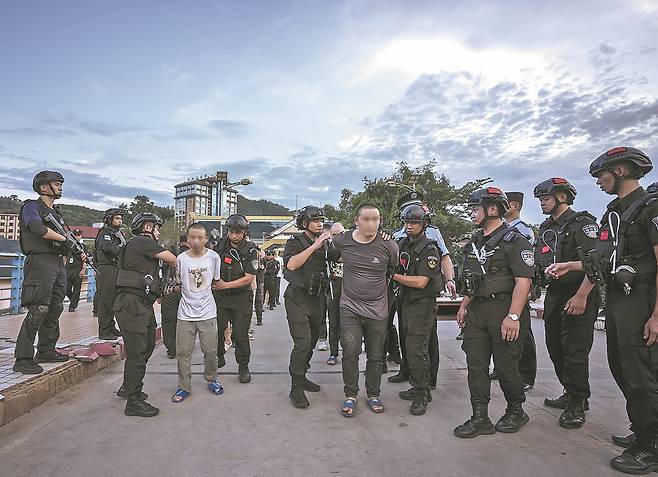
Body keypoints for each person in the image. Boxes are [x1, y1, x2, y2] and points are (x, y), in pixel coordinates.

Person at [587, 147, 658, 474]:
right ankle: (641, 430)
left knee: (642, 374)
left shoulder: (649, 208)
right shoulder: (614, 212)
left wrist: (656, 315)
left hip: (641, 299)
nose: (599, 182)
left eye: (602, 175)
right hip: (617, 298)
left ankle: (651, 446)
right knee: (622, 367)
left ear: (620, 171)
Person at [454, 187, 534, 438]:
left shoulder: (515, 240)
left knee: (506, 364)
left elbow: (524, 280)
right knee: (476, 365)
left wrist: (513, 316)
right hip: (478, 309)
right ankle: (480, 416)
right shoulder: (475, 243)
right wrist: (464, 305)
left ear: (492, 209)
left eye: (475, 209)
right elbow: (473, 279)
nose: (471, 213)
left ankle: (516, 409)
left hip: (504, 308)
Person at [532, 178, 600, 429]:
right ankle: (570, 392)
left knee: (575, 350)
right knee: (555, 346)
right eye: (540, 199)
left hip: (580, 290)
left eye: (546, 198)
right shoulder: (547, 226)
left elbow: (596, 262)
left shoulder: (582, 223)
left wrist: (582, 295)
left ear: (562, 197)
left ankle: (578, 401)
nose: (542, 203)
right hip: (556, 293)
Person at [332, 204, 399, 417]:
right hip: (350, 307)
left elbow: (393, 270)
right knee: (350, 351)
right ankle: (351, 394)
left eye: (376, 219)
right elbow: (330, 253)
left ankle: (373, 393)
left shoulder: (389, 245)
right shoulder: (343, 240)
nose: (372, 224)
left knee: (376, 355)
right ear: (356, 220)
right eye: (367, 219)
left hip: (378, 309)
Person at [389, 192, 457, 386]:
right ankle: (407, 370)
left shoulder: (431, 233)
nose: (411, 221)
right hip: (403, 293)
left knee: (425, 339)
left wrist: (449, 279)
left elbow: (444, 257)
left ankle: (428, 379)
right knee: (405, 333)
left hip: (422, 295)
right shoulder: (398, 234)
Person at [113, 212, 176, 417]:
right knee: (138, 352)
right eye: (157, 227)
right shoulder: (142, 241)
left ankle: (127, 386)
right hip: (132, 304)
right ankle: (133, 400)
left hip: (142, 304)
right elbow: (171, 258)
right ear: (147, 227)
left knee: (147, 346)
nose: (159, 232)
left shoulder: (140, 246)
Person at [13, 171, 75, 374]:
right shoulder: (32, 206)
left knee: (56, 307)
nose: (60, 187)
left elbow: (65, 239)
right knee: (38, 309)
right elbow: (36, 228)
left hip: (57, 263)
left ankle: (46, 350)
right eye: (56, 184)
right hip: (40, 261)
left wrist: (72, 247)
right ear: (43, 187)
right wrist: (65, 239)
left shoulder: (57, 212)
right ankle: (22, 358)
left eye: (60, 184)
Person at [283, 205, 339, 408]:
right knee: (302, 342)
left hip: (318, 298)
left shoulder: (326, 243)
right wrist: (314, 246)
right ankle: (295, 386)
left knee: (313, 340)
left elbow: (340, 257)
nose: (320, 224)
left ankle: (303, 375)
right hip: (297, 298)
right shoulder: (295, 242)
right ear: (304, 223)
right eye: (315, 221)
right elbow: (291, 265)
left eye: (321, 220)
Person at [391, 204, 444, 415]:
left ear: (424, 224)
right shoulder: (404, 243)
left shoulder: (429, 249)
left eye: (414, 222)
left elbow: (421, 282)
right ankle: (418, 387)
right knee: (408, 346)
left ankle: (422, 393)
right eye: (406, 222)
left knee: (417, 349)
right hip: (406, 302)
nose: (409, 226)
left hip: (422, 303)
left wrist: (392, 276)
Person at [171, 223, 224, 403]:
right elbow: (179, 283)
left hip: (208, 313)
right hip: (185, 314)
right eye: (192, 237)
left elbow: (216, 282)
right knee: (183, 353)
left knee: (210, 351)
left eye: (200, 237)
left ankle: (212, 379)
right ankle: (184, 386)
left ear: (206, 239)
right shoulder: (180, 259)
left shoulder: (214, 257)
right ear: (187, 239)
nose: (196, 241)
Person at [490, 191, 537, 391]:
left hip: (520, 286)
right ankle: (503, 369)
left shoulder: (522, 231)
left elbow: (525, 264)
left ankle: (526, 374)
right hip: (502, 290)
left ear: (514, 205)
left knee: (523, 333)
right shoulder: (502, 230)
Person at [212, 214, 258, 383]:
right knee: (216, 331)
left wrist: (226, 285)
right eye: (232, 232)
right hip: (221, 297)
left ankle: (243, 366)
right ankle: (219, 357)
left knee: (240, 335)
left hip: (241, 297)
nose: (234, 236)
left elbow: (249, 277)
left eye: (238, 232)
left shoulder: (250, 250)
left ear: (244, 232)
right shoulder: (219, 246)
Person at [95, 208, 126, 339]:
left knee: (113, 300)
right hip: (106, 268)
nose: (120, 220)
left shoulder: (119, 233)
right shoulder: (105, 233)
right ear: (109, 219)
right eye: (117, 218)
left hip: (116, 268)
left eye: (120, 218)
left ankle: (111, 326)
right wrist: (124, 249)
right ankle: (104, 330)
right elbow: (110, 248)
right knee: (106, 301)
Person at [160, 234, 189, 359]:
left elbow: (161, 272)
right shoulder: (193, 254)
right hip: (187, 292)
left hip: (169, 291)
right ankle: (184, 347)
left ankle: (171, 349)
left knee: (168, 322)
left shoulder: (168, 253)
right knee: (186, 321)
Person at [326, 222, 345, 365]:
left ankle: (349, 351)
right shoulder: (328, 248)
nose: (338, 237)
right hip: (333, 290)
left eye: (341, 234)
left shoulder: (353, 245)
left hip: (351, 290)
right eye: (334, 235)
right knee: (334, 323)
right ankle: (333, 353)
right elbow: (335, 256)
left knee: (350, 323)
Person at [317, 222, 333, 352]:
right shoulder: (316, 247)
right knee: (321, 314)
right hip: (320, 286)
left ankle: (336, 339)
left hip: (334, 286)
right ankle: (322, 339)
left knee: (335, 315)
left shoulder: (335, 247)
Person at [65, 229, 86, 312]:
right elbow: (65, 257)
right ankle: (74, 300)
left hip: (78, 269)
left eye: (79, 235)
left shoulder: (83, 246)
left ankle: (72, 306)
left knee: (77, 289)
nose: (77, 237)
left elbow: (85, 260)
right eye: (75, 235)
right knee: (66, 288)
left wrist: (83, 270)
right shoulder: (68, 245)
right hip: (68, 269)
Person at [254, 248, 266, 326]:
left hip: (259, 282)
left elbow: (264, 270)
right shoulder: (251, 260)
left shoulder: (262, 261)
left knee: (259, 301)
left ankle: (259, 319)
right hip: (251, 283)